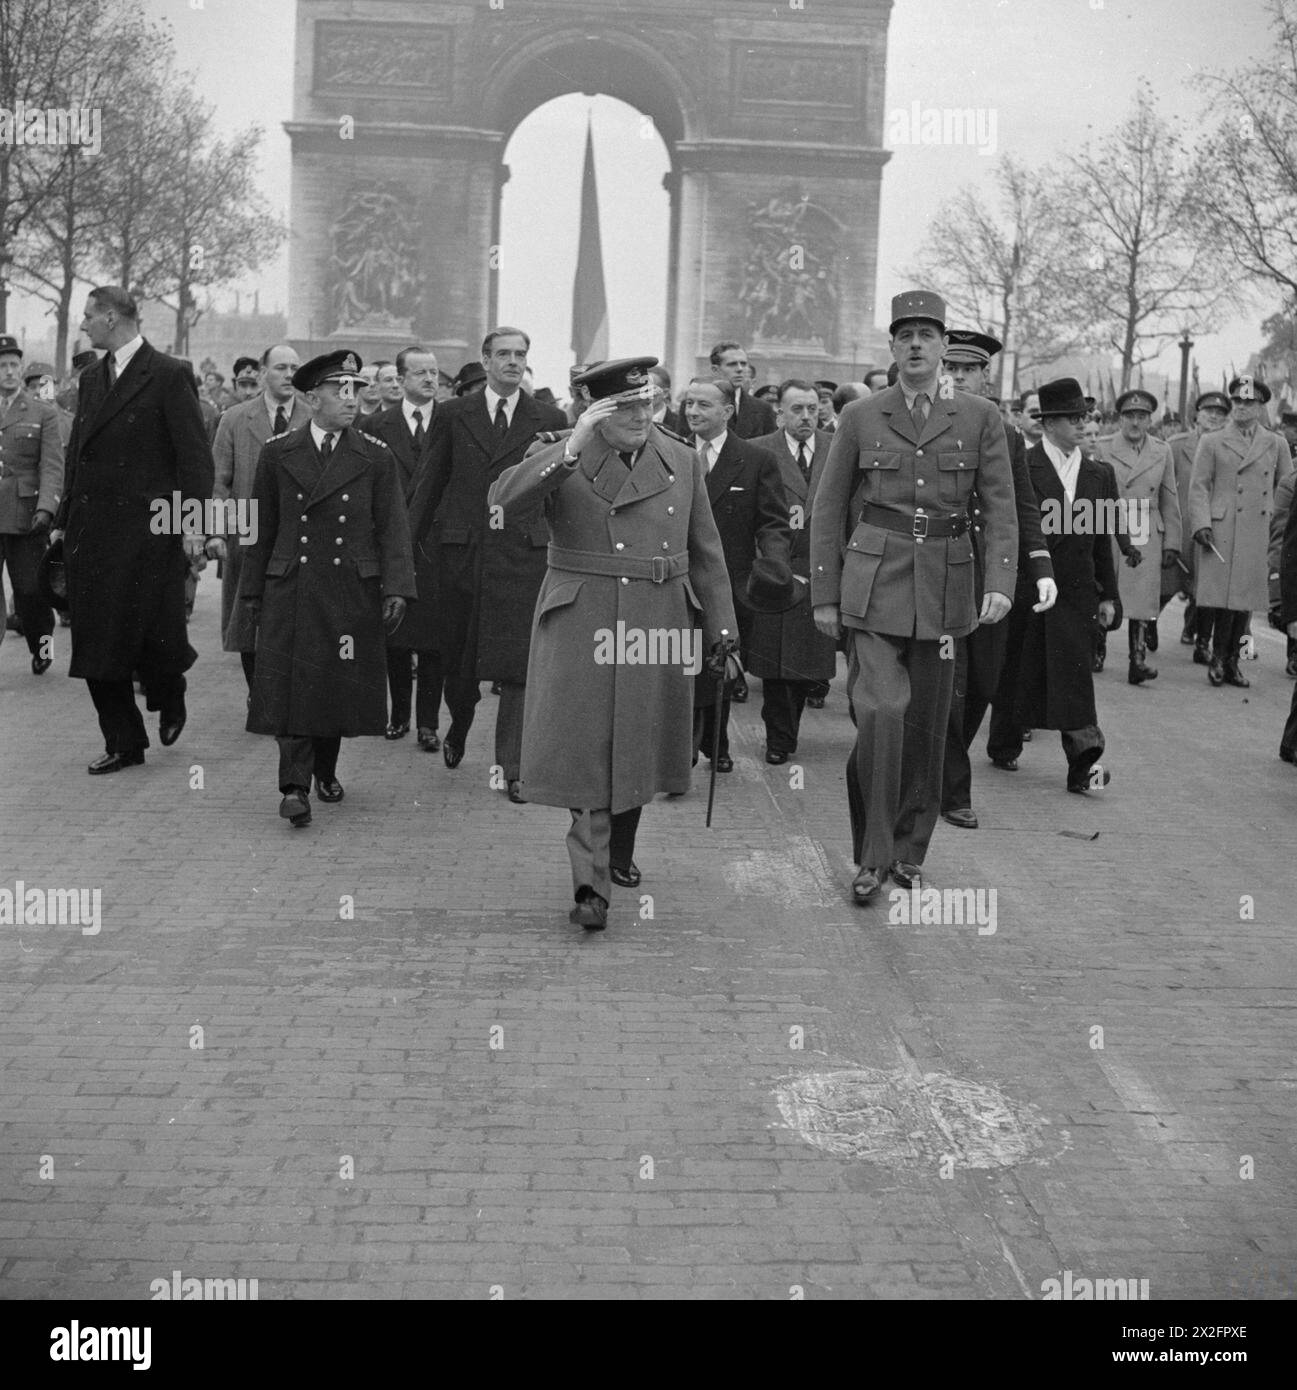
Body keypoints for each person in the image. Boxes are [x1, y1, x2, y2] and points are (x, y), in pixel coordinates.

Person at [488, 358, 737, 931]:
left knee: (638, 739)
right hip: (584, 615)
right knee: (588, 744)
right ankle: (590, 885)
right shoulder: (561, 452)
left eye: (646, 403)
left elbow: (707, 551)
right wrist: (568, 449)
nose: (639, 416)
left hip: (658, 617)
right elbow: (502, 505)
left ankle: (616, 852)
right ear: (590, 408)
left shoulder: (680, 457)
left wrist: (723, 633)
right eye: (623, 407)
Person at [810, 290, 1017, 903]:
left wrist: (1000, 582)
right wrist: (825, 594)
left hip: (948, 586)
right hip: (873, 583)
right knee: (879, 714)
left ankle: (908, 849)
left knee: (929, 724)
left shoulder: (980, 418)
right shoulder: (862, 415)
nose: (918, 345)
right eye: (907, 336)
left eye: (929, 335)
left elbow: (1001, 507)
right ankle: (872, 856)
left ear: (944, 348)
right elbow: (827, 506)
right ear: (893, 347)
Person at [239, 351, 415, 826]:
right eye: (339, 391)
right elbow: (260, 525)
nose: (351, 399)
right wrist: (252, 591)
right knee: (294, 684)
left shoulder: (375, 456)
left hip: (349, 586)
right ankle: (294, 786)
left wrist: (396, 587)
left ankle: (326, 768)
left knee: (334, 682)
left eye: (355, 390)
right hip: (291, 583)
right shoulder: (278, 452)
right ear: (310, 398)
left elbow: (393, 526)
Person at [50, 287, 214, 774]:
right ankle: (124, 741)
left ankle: (170, 690)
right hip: (92, 530)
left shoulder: (167, 374)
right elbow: (80, 450)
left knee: (156, 636)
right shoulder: (93, 377)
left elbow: (193, 459)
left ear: (112, 318)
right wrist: (62, 525)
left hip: (150, 532)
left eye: (88, 318)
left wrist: (193, 525)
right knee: (96, 642)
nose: (84, 326)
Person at [407, 326, 566, 787]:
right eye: (503, 355)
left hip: (523, 555)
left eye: (520, 355)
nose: (513, 362)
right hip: (463, 552)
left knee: (517, 662)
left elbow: (559, 491)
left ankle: (511, 769)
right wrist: (406, 553)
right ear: (486, 359)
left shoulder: (547, 416)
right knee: (460, 658)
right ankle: (458, 722)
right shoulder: (454, 414)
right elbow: (429, 483)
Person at [938, 329, 1055, 831]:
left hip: (988, 574)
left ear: (986, 377)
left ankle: (941, 767)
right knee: (947, 682)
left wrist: (1041, 566)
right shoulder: (919, 421)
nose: (959, 377)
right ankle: (950, 788)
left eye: (970, 369)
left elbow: (1021, 505)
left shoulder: (1004, 433)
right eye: (952, 368)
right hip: (935, 569)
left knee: (983, 681)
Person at [1007, 378, 1118, 792]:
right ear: (1049, 423)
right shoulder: (1024, 464)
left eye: (1083, 417)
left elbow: (1102, 541)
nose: (1080, 425)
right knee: (1017, 669)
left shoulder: (1097, 474)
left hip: (1077, 592)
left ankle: (1084, 762)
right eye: (1072, 418)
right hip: (1029, 586)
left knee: (1075, 676)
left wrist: (1109, 594)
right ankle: (1003, 741)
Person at [682, 376, 790, 770]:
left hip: (730, 582)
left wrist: (774, 564)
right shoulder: (673, 453)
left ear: (727, 412)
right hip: (679, 580)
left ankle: (716, 742)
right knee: (683, 662)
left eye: (703, 405)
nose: (692, 412)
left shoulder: (756, 459)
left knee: (719, 662)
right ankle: (687, 747)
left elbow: (773, 522)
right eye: (689, 403)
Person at [746, 379, 837, 762]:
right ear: (779, 412)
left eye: (812, 409)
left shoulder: (837, 450)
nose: (805, 417)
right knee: (777, 663)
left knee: (809, 662)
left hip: (820, 568)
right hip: (775, 570)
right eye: (796, 409)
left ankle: (788, 729)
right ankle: (780, 739)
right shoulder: (758, 452)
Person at [209, 343, 308, 691]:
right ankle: (259, 692)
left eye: (295, 368)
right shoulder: (235, 419)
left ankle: (285, 692)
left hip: (298, 535)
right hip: (247, 531)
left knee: (294, 616)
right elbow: (220, 480)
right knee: (248, 615)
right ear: (263, 373)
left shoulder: (311, 417)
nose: (289, 375)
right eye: (280, 368)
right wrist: (217, 532)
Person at [364, 344, 447, 749]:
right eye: (420, 373)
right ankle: (398, 715)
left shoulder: (451, 421)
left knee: (433, 638)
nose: (430, 379)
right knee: (395, 634)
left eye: (434, 373)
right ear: (401, 379)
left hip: (435, 544)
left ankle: (428, 723)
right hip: (392, 543)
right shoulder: (378, 426)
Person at [1188, 376, 1287, 688]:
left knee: (1244, 600)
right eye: (1239, 401)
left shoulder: (1276, 443)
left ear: (1260, 407)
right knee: (1221, 599)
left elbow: (1285, 489)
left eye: (1250, 402)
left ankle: (1233, 661)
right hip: (1222, 528)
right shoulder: (1212, 441)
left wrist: (1279, 529)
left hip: (1258, 530)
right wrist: (1201, 523)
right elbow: (1199, 487)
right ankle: (1217, 658)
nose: (1243, 407)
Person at [1100, 389, 1181, 684]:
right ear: (1120, 418)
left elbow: (1169, 498)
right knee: (1106, 587)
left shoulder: (1162, 450)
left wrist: (1173, 541)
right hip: (1111, 524)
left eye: (1142, 416)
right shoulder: (1103, 447)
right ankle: (1098, 647)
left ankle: (1138, 659)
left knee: (1144, 598)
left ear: (1150, 420)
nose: (1135, 422)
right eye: (1130, 416)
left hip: (1147, 526)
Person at [0, 334, 64, 675]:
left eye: (13, 365)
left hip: (25, 515)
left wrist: (47, 508)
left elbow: (52, 465)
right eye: (2, 366)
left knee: (29, 590)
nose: (9, 372)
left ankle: (43, 645)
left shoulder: (43, 413)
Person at [1167, 391, 1231, 659]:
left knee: (1208, 586)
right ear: (1197, 416)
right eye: (1208, 412)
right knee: (1167, 583)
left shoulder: (1228, 447)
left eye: (1220, 414)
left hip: (1213, 525)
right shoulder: (1176, 445)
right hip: (1181, 525)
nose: (1214, 417)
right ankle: (1146, 625)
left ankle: (1200, 640)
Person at [709, 341, 777, 439]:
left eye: (743, 364)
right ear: (715, 370)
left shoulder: (763, 409)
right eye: (732, 364)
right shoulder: (696, 405)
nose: (740, 369)